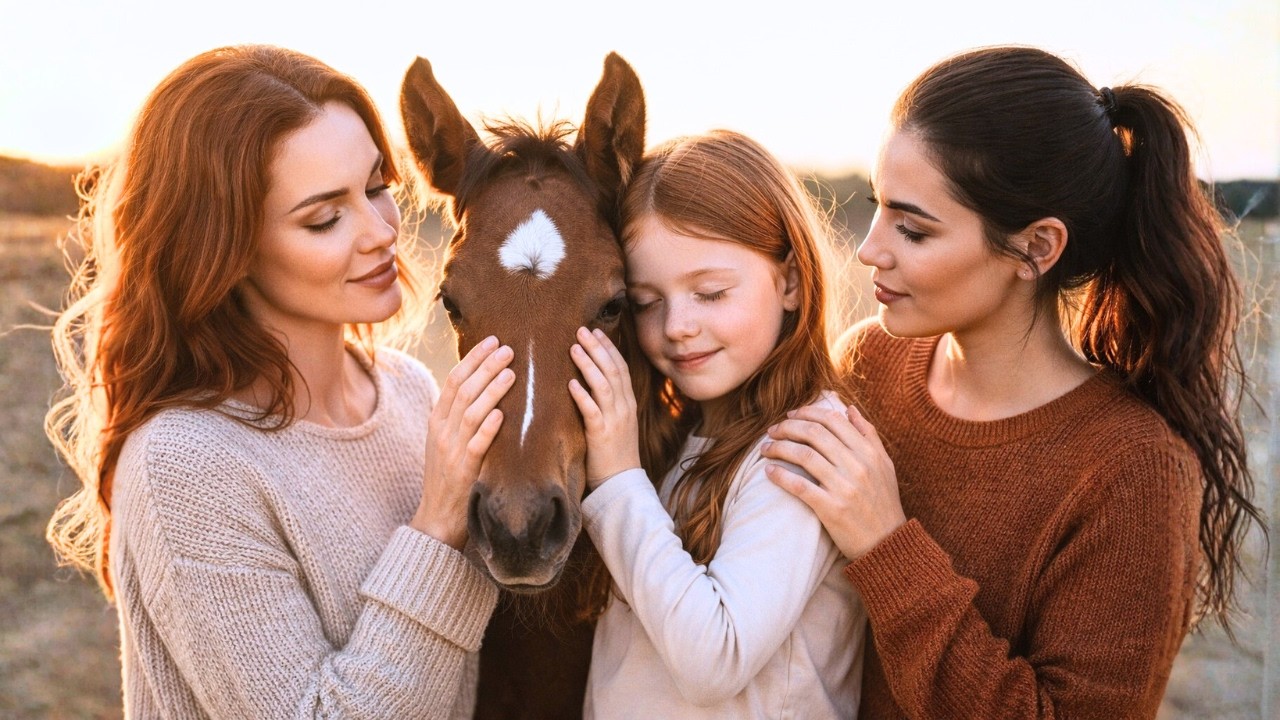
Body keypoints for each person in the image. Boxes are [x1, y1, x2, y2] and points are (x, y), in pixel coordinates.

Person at [760, 46, 1264, 718]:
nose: (870, 249)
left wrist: (886, 545)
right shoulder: (867, 365)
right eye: (880, 209)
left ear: (1036, 248)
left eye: (913, 229)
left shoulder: (1134, 471)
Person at [44, 45, 514, 718]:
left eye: (378, 188)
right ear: (225, 248)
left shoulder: (410, 392)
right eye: (325, 218)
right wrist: (437, 526)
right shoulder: (187, 466)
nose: (382, 231)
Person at [566, 129, 866, 718]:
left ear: (790, 283)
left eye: (709, 292)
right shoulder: (675, 433)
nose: (676, 325)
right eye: (648, 301)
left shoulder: (801, 446)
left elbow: (714, 660)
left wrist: (619, 476)